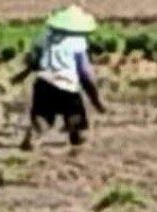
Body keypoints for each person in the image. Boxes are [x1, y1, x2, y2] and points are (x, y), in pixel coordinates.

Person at [11, 5, 106, 150]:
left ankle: (34, 135)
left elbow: (34, 61)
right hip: (67, 84)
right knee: (74, 114)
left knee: (42, 115)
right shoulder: (78, 41)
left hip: (44, 82)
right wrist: (95, 99)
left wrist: (22, 74)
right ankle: (76, 136)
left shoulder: (43, 37)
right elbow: (84, 72)